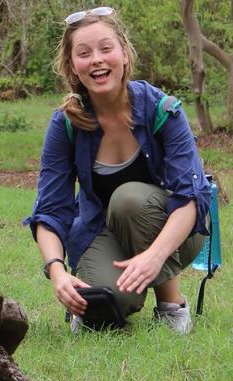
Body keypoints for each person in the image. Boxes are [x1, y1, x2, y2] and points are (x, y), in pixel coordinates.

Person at [23, 6, 211, 335]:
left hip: (177, 230)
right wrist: (57, 271)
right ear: (72, 66)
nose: (96, 59)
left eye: (106, 48)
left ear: (124, 54)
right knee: (100, 305)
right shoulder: (66, 123)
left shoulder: (164, 110)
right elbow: (51, 210)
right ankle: (112, 299)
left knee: (128, 199)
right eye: (84, 53)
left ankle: (171, 307)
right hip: (104, 230)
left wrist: (153, 257)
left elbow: (190, 198)